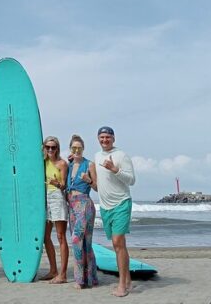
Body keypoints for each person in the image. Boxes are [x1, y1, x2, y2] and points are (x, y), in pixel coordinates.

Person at [94, 126, 136, 297]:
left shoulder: (121, 155)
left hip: (121, 203)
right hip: (105, 206)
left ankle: (122, 286)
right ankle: (128, 281)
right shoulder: (97, 157)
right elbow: (100, 186)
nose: (105, 140)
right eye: (102, 137)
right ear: (98, 139)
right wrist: (89, 181)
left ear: (113, 138)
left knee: (118, 242)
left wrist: (115, 169)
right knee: (118, 244)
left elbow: (132, 180)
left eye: (108, 137)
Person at [66, 134, 98, 289]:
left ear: (83, 149)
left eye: (79, 147)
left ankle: (81, 280)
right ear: (71, 149)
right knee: (82, 242)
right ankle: (91, 279)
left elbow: (97, 187)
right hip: (71, 206)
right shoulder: (70, 165)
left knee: (78, 240)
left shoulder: (89, 164)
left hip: (84, 204)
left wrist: (88, 180)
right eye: (74, 147)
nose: (77, 150)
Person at [40, 136, 69, 284]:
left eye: (53, 147)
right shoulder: (42, 163)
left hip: (57, 197)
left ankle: (62, 275)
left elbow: (64, 185)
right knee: (45, 237)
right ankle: (53, 270)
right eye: (48, 147)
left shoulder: (62, 164)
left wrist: (57, 183)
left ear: (57, 148)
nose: (50, 150)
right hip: (44, 199)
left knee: (60, 236)